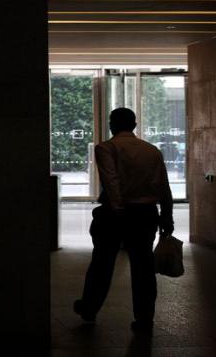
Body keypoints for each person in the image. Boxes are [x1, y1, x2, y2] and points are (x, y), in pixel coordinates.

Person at [73, 108, 174, 334]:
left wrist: (118, 211)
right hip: (146, 214)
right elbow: (163, 186)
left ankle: (90, 308)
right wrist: (167, 216)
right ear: (135, 125)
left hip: (115, 215)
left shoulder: (106, 148)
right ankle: (144, 318)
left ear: (111, 124)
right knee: (143, 268)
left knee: (102, 264)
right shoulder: (152, 151)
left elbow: (111, 181)